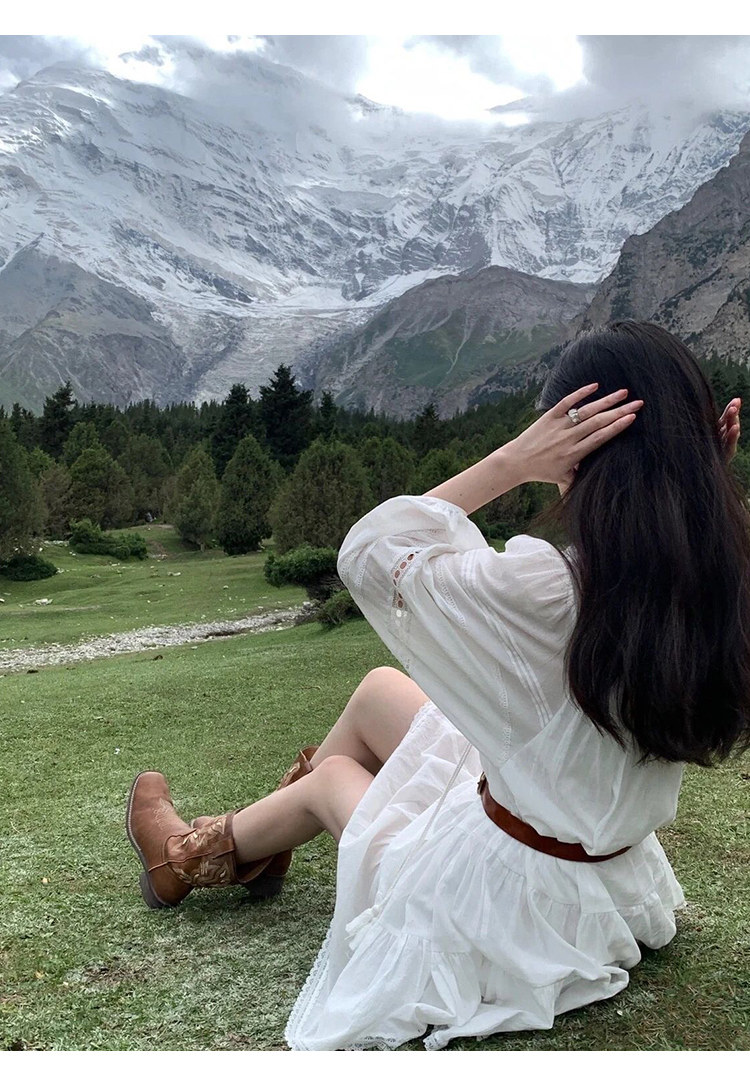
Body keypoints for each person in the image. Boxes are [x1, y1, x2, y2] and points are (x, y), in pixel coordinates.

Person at [126, 320, 749, 1051]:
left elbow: (369, 551)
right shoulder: (722, 569)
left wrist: (512, 461)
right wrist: (703, 473)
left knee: (331, 779)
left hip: (508, 905)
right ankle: (259, 843)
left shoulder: (549, 585)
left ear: (574, 446)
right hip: (604, 868)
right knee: (378, 690)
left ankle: (189, 859)